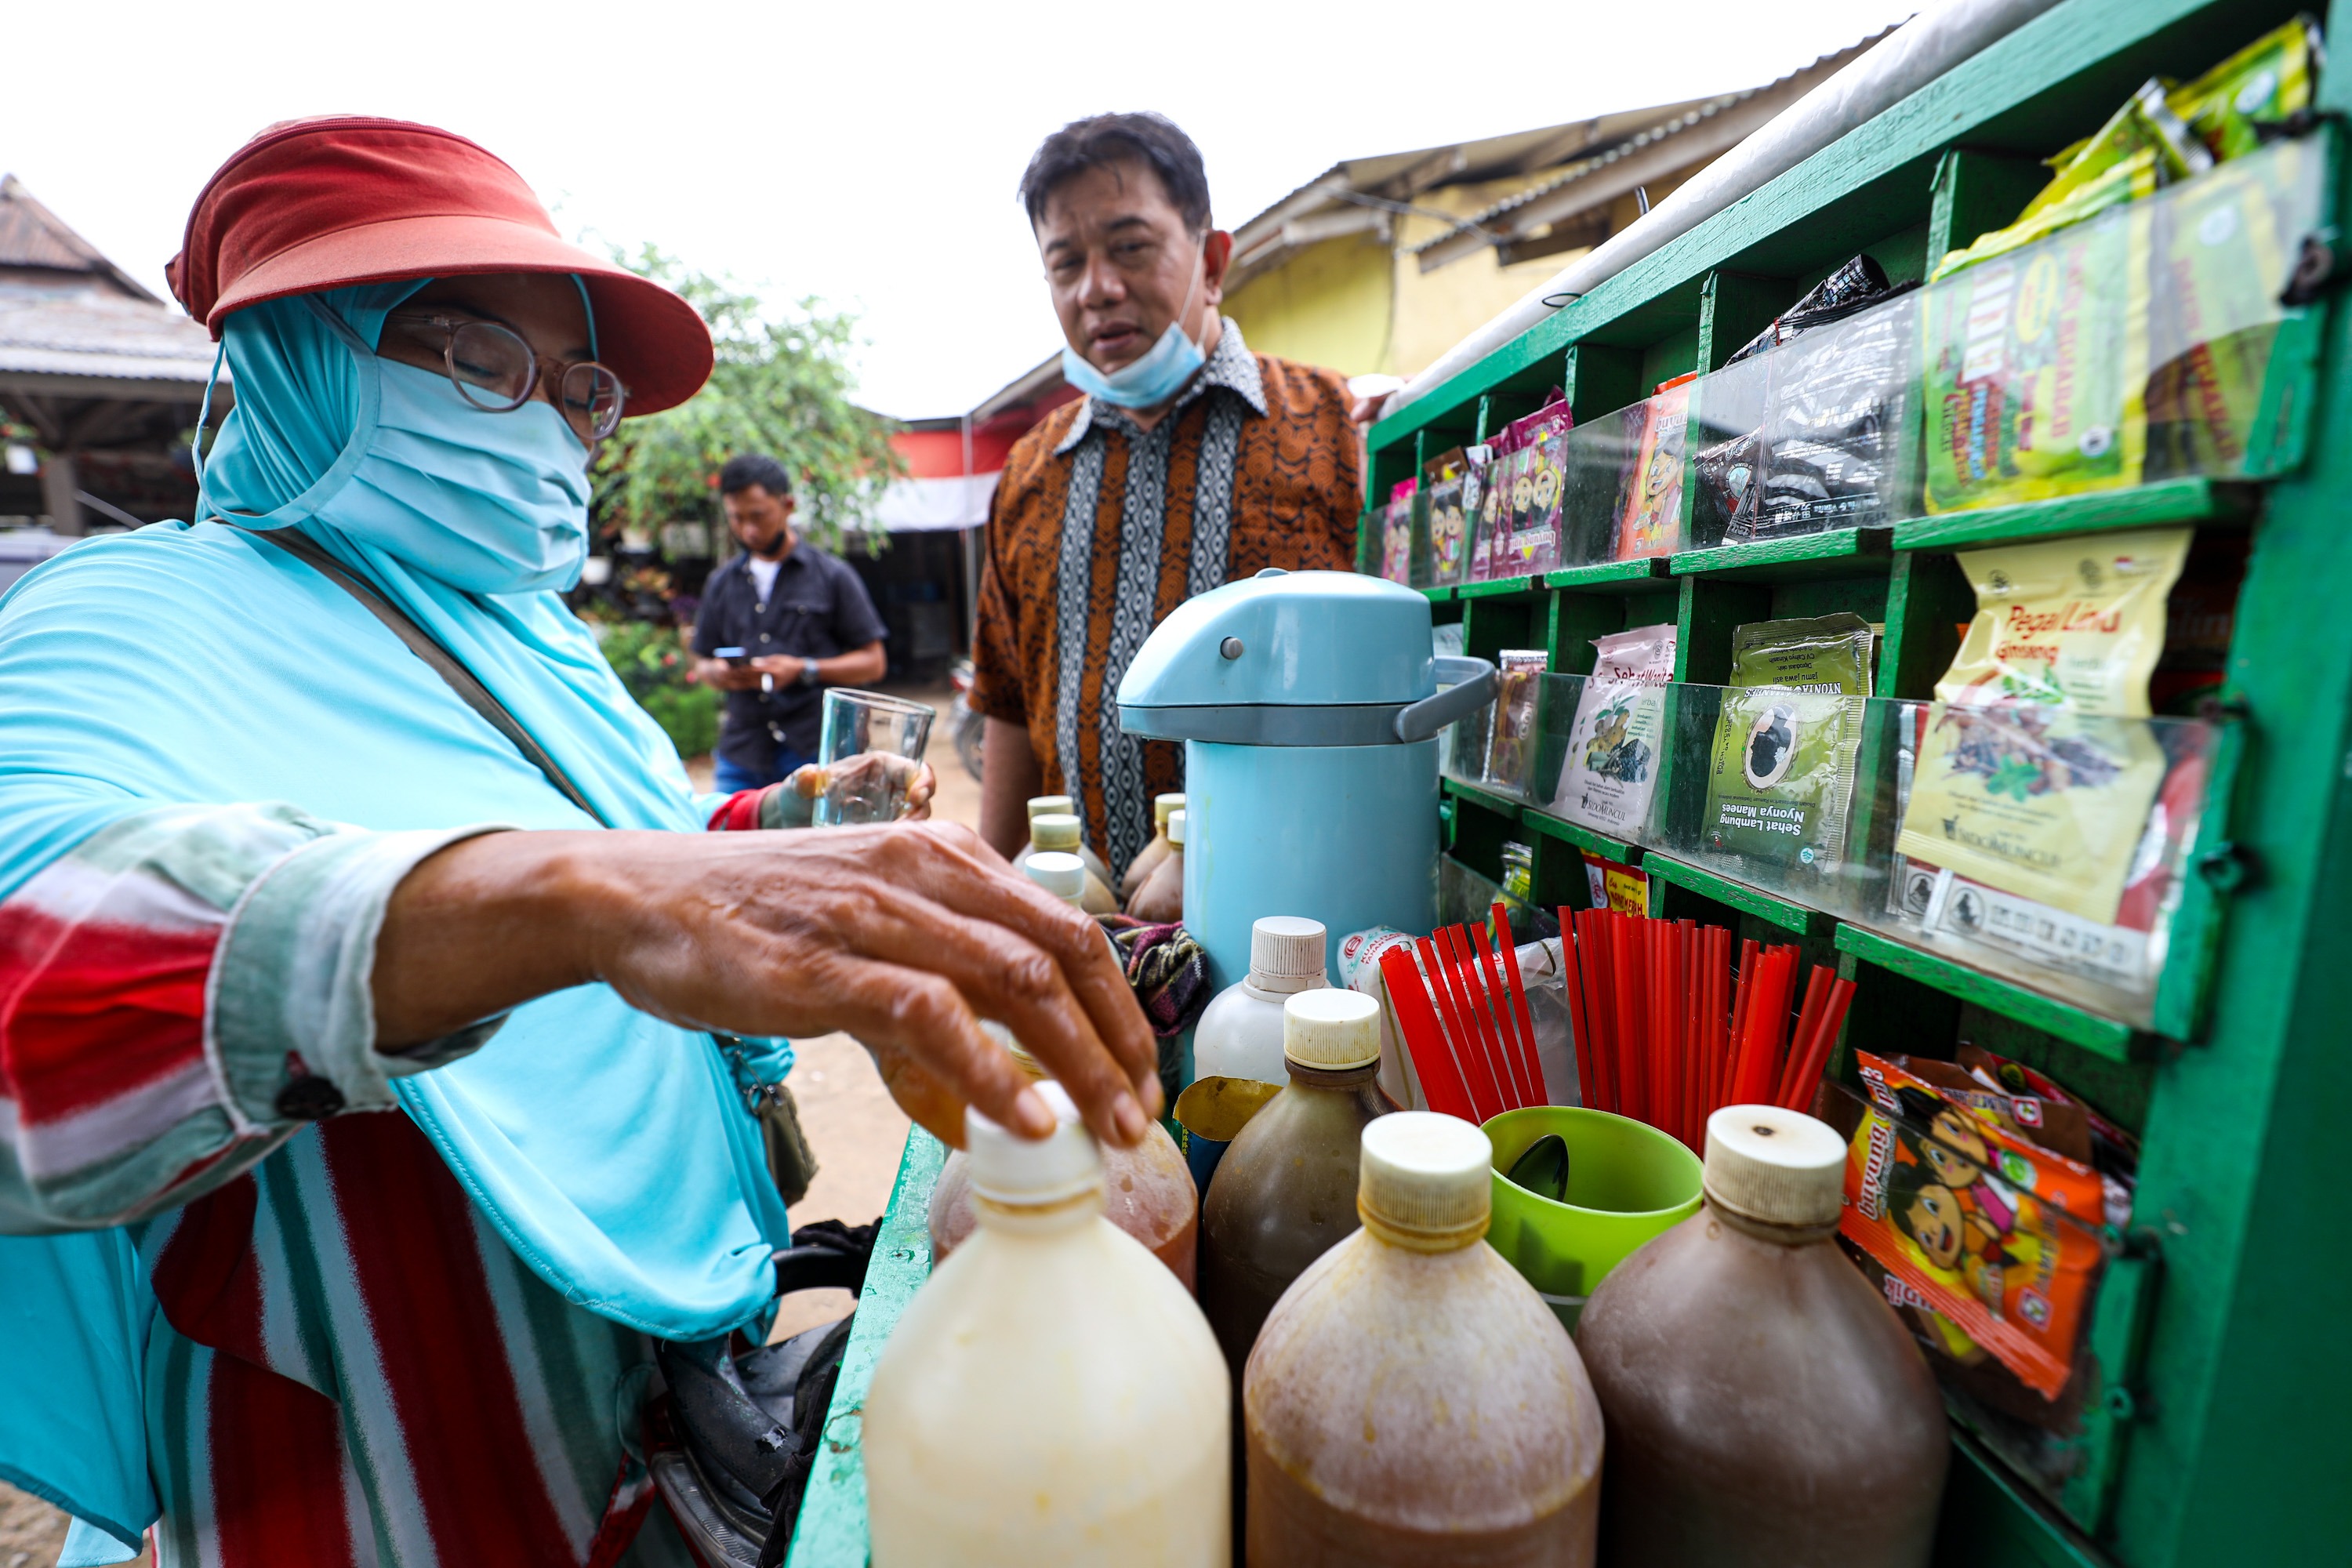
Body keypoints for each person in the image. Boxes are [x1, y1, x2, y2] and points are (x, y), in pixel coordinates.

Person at [0, 116, 1156, 1567]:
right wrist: (593, 898)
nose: (551, 425)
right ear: (293, 348)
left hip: (660, 1399)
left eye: (581, 390)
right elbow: (27, 971)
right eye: (485, 363)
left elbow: (639, 841)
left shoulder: (537, 642)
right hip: (368, 1462)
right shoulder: (131, 615)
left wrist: (772, 830)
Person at [969, 113, 1363, 882]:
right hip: (1086, 936)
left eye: (1130, 247)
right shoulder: (1027, 472)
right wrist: (987, 887)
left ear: (1212, 263)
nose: (1098, 289)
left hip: (1301, 926)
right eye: (1066, 263)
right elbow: (1007, 700)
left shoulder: (1341, 431)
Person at [691, 454, 889, 792]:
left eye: (758, 516)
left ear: (788, 505)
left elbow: (874, 663)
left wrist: (803, 669)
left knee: (814, 845)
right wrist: (718, 673)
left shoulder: (832, 575)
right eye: (736, 518)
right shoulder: (721, 583)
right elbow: (699, 660)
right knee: (729, 844)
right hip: (742, 751)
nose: (748, 529)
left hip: (814, 748)